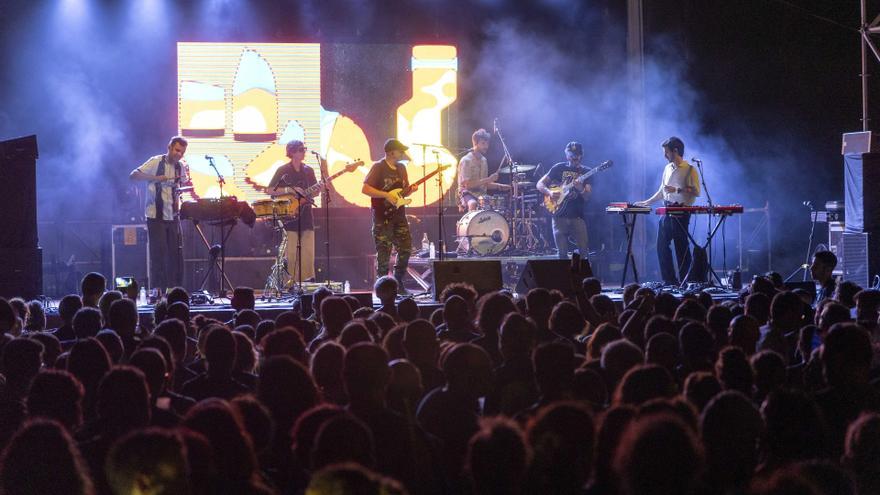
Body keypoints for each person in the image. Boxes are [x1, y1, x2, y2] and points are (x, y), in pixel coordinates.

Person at [636, 136, 701, 285]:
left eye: (666, 152)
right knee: (661, 246)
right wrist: (647, 202)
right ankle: (669, 280)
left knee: (681, 247)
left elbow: (696, 191)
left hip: (682, 211)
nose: (664, 155)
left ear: (675, 151)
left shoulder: (690, 169)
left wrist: (677, 189)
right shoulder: (667, 168)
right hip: (667, 210)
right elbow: (662, 191)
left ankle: (686, 281)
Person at [130, 136, 188, 293]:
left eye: (182, 152)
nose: (178, 154)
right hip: (156, 216)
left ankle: (173, 289)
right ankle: (157, 289)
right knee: (159, 253)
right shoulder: (156, 161)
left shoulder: (180, 167)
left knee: (175, 254)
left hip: (173, 216)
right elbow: (134, 175)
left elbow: (183, 184)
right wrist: (155, 178)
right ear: (169, 147)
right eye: (177, 150)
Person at [362, 139, 417, 294]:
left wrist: (410, 190)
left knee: (406, 248)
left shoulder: (402, 168)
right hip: (382, 217)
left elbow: (402, 191)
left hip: (399, 215)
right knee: (384, 253)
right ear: (391, 152)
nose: (402, 153)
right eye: (400, 151)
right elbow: (365, 189)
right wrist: (385, 195)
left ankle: (398, 281)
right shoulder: (378, 167)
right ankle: (383, 288)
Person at [267, 140, 319, 283]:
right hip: (289, 216)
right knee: (291, 253)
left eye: (304, 149)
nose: (304, 152)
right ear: (292, 152)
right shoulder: (283, 170)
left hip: (306, 215)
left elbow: (315, 192)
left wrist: (316, 190)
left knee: (308, 251)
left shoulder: (309, 170)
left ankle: (307, 281)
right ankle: (289, 282)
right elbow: (270, 190)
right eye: (301, 149)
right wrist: (289, 189)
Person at [536, 141, 592, 259]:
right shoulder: (558, 168)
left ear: (581, 155)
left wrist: (580, 188)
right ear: (567, 155)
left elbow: (587, 197)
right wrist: (550, 192)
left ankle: (582, 276)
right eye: (571, 154)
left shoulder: (587, 172)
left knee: (584, 254)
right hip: (558, 216)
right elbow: (540, 184)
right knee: (562, 255)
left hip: (577, 217)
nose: (574, 157)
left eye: (576, 154)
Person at [458, 128, 509, 212]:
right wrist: (489, 179)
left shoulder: (484, 160)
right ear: (475, 144)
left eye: (487, 143)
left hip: (481, 195)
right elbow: (467, 185)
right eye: (483, 143)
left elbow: (484, 184)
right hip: (466, 194)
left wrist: (501, 186)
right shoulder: (466, 161)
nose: (486, 146)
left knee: (498, 204)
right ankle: (472, 225)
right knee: (473, 203)